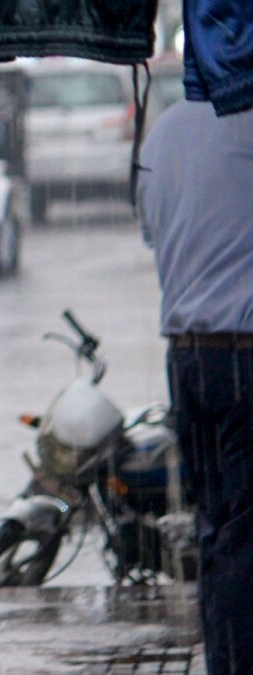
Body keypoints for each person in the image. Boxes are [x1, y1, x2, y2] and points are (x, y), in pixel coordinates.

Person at [137, 100, 253, 675]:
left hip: (187, 359)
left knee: (217, 526)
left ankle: (225, 659)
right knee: (240, 532)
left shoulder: (165, 131)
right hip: (244, 356)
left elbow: (154, 235)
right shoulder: (247, 121)